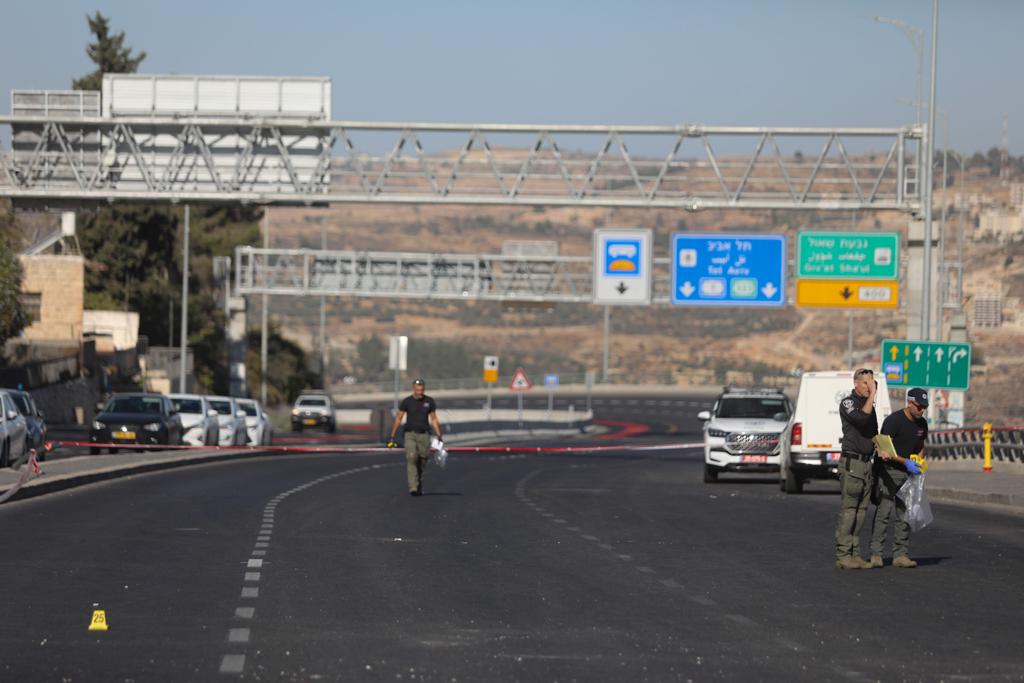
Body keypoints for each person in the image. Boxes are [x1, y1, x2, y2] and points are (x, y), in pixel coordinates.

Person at [869, 388, 927, 569]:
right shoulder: (894, 421)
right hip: (889, 471)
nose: (921, 410)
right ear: (909, 403)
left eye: (924, 407)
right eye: (919, 406)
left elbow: (921, 445)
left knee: (905, 515)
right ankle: (876, 554)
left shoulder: (922, 424)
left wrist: (919, 460)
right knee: (884, 513)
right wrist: (905, 462)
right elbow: (884, 449)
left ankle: (900, 554)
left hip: (909, 474)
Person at [834, 368, 880, 570]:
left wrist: (882, 448)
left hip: (866, 463)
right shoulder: (848, 402)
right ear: (856, 384)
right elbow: (861, 419)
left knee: (861, 511)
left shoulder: (870, 406)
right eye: (866, 383)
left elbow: (873, 432)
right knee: (850, 510)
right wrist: (873, 395)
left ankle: (855, 553)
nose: (870, 386)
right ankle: (843, 554)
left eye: (872, 383)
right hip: (852, 464)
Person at [387, 379, 442, 496]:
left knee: (422, 460)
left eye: (422, 390)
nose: (420, 392)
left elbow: (434, 419)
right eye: (417, 390)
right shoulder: (407, 401)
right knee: (411, 457)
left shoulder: (429, 401)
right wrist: (392, 435)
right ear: (414, 389)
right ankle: (413, 487)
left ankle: (419, 484)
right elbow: (398, 418)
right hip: (410, 434)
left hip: (424, 435)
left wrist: (439, 434)